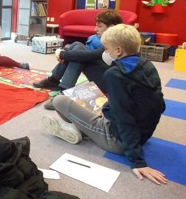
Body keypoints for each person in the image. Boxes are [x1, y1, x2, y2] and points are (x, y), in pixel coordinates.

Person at [42, 24, 167, 185]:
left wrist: (137, 161)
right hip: (140, 134)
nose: (105, 53)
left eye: (106, 49)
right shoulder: (146, 65)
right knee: (91, 98)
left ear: (118, 51)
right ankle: (83, 126)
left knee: (60, 100)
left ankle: (76, 130)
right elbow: (158, 105)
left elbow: (124, 117)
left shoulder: (115, 75)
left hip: (118, 140)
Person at [33, 10, 122, 109]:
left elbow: (90, 55)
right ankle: (54, 80)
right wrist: (64, 52)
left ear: (111, 28)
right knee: (76, 45)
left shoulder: (114, 43)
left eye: (100, 26)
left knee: (79, 54)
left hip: (108, 83)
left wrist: (62, 53)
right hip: (106, 77)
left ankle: (63, 91)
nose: (95, 29)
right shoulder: (114, 39)